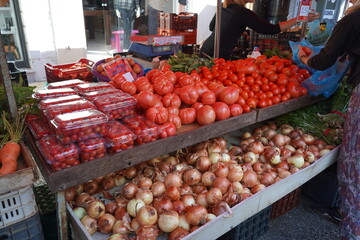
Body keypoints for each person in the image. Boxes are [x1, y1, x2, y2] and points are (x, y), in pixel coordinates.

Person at [298, 1, 360, 239]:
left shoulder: (354, 19)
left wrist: (304, 61)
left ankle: (353, 231)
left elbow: (325, 60)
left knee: (354, 168)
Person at [200, 0, 319, 59]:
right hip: (217, 57)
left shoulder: (223, 7)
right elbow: (271, 29)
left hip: (205, 50)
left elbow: (212, 28)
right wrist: (298, 19)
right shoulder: (243, 13)